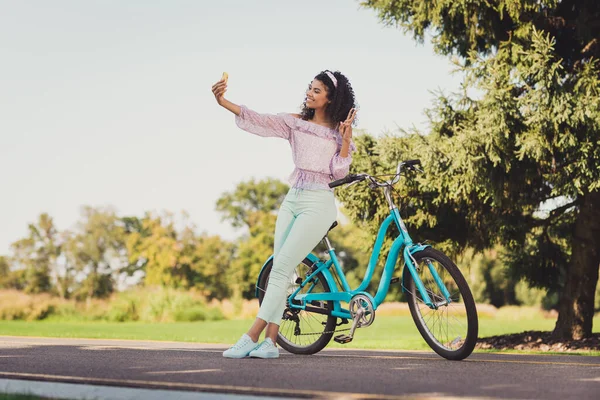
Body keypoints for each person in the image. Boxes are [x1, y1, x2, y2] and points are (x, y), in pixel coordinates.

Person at [211, 70, 357, 359]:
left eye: (317, 91)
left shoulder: (338, 133)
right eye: (310, 88)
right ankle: (270, 343)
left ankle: (250, 335)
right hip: (293, 199)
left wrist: (346, 138)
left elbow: (339, 172)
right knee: (282, 268)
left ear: (330, 98)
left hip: (319, 202)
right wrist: (222, 102)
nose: (309, 93)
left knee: (279, 270)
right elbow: (259, 119)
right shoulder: (295, 123)